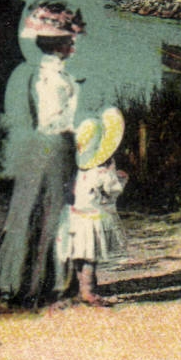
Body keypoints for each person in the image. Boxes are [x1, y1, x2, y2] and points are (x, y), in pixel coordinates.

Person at [0, 0, 85, 305]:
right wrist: (81, 124)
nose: (74, 46)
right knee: (53, 211)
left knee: (30, 207)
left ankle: (19, 279)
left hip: (36, 147)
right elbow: (56, 119)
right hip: (54, 146)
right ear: (57, 44)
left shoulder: (36, 73)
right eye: (70, 41)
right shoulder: (54, 78)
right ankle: (39, 284)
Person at [55, 108, 128, 306]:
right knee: (90, 258)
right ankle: (89, 291)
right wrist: (120, 178)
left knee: (80, 256)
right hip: (92, 220)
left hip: (74, 218)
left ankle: (82, 288)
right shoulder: (102, 171)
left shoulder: (79, 170)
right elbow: (113, 190)